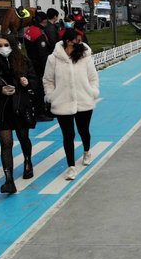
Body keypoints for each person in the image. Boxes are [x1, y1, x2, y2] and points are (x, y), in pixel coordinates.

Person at [0, 34, 38, 194]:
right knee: (6, 144)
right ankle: (9, 180)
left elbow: (35, 81)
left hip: (20, 106)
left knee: (23, 137)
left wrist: (27, 83)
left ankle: (28, 161)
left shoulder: (23, 61)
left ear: (12, 45)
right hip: (2, 109)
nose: (2, 48)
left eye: (5, 44)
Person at [43, 28, 100, 180]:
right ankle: (71, 166)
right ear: (68, 41)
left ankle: (87, 151)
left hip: (84, 100)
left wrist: (93, 91)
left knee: (83, 131)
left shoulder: (85, 56)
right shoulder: (53, 59)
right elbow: (48, 80)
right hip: (62, 102)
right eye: (77, 40)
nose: (80, 43)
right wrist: (51, 96)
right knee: (68, 135)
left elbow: (93, 77)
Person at [23, 10, 55, 122]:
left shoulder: (28, 30)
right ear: (44, 21)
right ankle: (40, 113)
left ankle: (38, 111)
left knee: (36, 89)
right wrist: (47, 68)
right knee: (39, 90)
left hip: (30, 62)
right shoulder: (39, 34)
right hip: (39, 66)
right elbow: (42, 54)